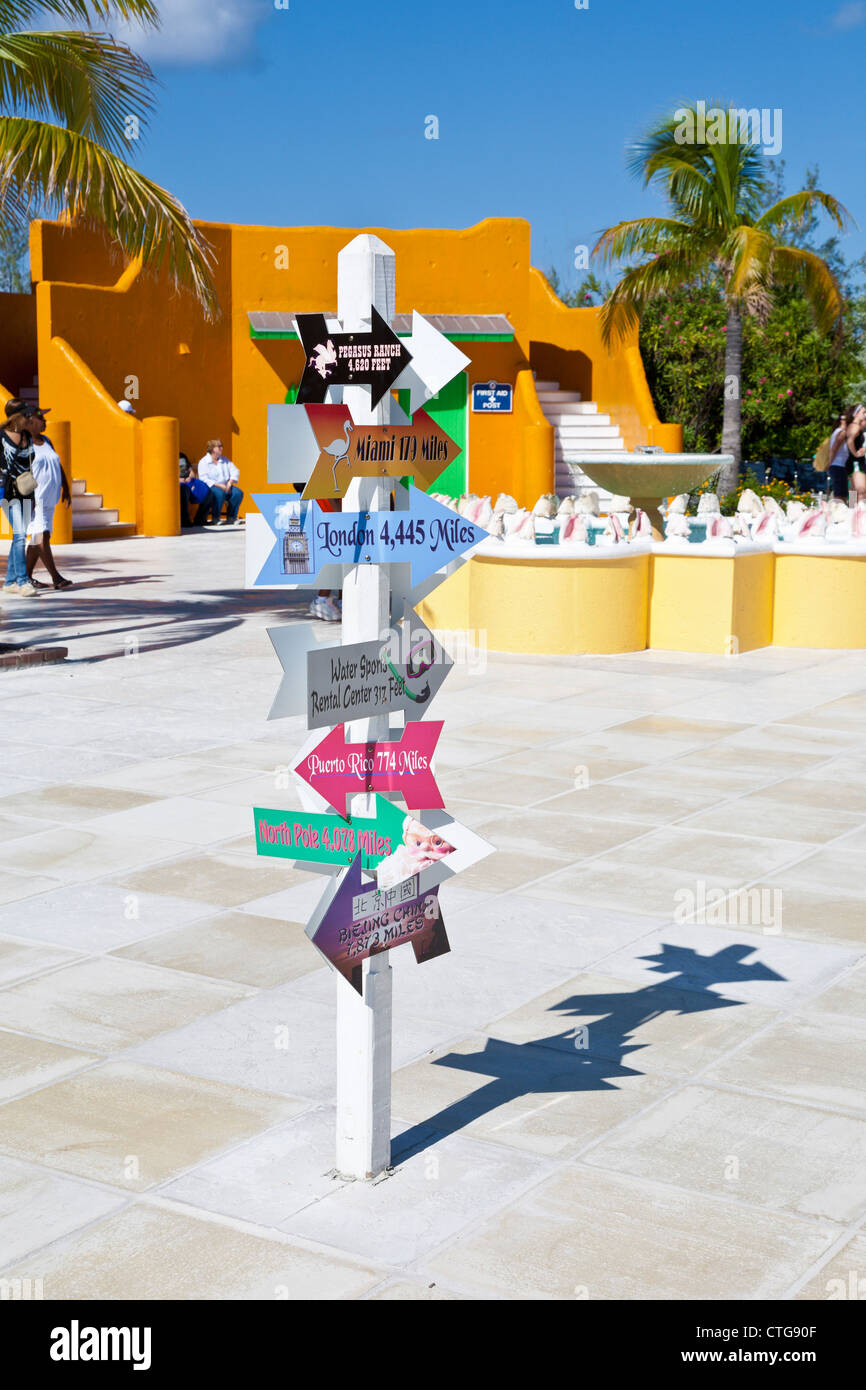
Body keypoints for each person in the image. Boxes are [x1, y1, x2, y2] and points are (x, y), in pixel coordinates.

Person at [23, 407, 72, 589]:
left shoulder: (46, 440)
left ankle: (25, 577)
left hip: (50, 498)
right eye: (41, 418)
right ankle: (56, 578)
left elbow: (57, 464)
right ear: (30, 422)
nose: (44, 421)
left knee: (38, 538)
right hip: (36, 499)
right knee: (42, 535)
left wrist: (66, 488)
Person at [0, 398, 38, 597]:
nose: (29, 418)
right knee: (21, 535)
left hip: (26, 491)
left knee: (19, 536)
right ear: (18, 416)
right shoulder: (1, 437)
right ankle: (23, 582)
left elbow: (30, 464)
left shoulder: (27, 436)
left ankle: (9, 582)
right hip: (7, 493)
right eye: (27, 414)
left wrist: (34, 495)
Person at [197, 439, 243, 525]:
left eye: (221, 446)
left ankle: (231, 517)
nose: (222, 448)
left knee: (238, 493)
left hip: (226, 485)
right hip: (211, 486)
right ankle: (216, 518)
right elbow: (204, 478)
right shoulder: (204, 462)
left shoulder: (225, 460)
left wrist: (230, 482)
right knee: (219, 493)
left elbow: (235, 471)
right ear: (213, 449)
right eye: (219, 446)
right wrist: (219, 485)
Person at [828, 405, 866, 503]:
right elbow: (850, 442)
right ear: (856, 414)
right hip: (855, 463)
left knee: (854, 492)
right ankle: (858, 514)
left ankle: (854, 512)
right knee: (861, 492)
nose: (865, 415)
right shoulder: (855, 426)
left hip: (850, 463)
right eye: (863, 412)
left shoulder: (853, 426)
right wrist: (856, 453)